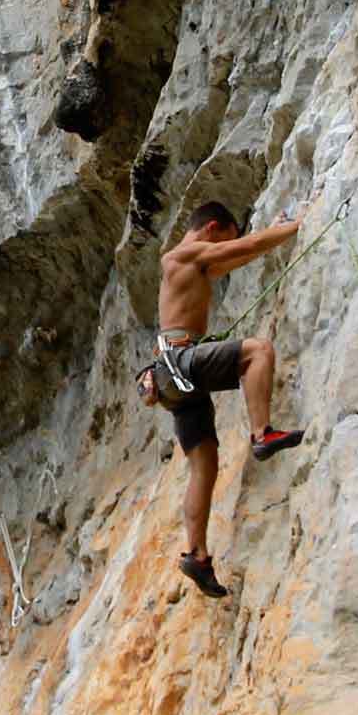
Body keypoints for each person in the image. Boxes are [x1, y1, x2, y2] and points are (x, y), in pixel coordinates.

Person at [142, 199, 308, 597]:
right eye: (222, 239)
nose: (221, 247)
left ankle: (196, 555)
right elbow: (243, 248)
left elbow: (237, 257)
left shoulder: (191, 264)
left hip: (173, 378)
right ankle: (261, 433)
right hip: (182, 363)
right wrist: (299, 223)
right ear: (211, 229)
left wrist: (274, 230)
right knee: (257, 352)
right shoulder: (185, 252)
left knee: (204, 467)